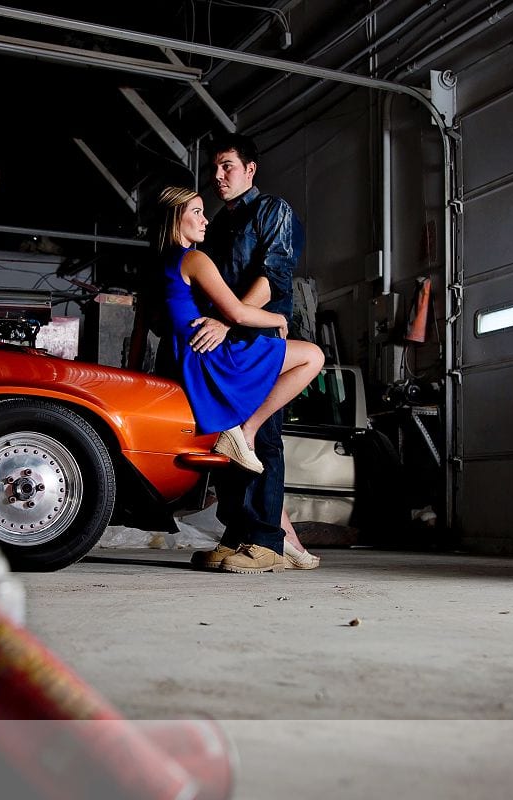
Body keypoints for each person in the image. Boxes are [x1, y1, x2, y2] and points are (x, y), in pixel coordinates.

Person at [153, 185, 324, 574]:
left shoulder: (159, 262)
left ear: (250, 170)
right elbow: (238, 313)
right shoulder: (194, 259)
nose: (205, 219)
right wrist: (280, 319)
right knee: (313, 356)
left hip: (188, 361)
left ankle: (272, 540)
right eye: (196, 212)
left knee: (251, 453)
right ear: (176, 218)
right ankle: (247, 430)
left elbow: (147, 323)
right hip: (214, 358)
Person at [193, 133, 320, 573]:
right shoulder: (218, 223)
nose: (218, 176)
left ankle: (268, 543)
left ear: (251, 168)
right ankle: (238, 534)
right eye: (214, 168)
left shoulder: (272, 211)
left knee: (262, 439)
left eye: (227, 166)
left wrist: (233, 318)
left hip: (259, 339)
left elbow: (275, 277)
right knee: (230, 439)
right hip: (224, 343)